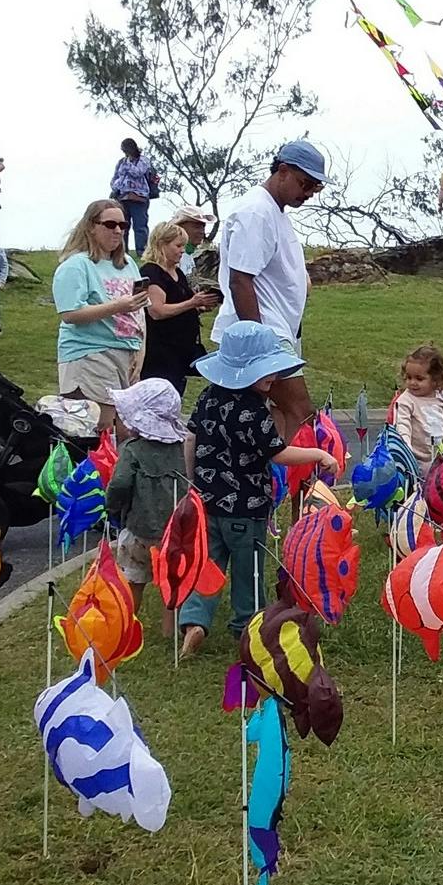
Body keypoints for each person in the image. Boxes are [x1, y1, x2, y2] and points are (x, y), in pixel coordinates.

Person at [178, 323, 337, 656]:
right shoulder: (252, 411)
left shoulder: (208, 397)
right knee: (247, 570)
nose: (274, 378)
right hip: (246, 508)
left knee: (209, 564)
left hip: (208, 501)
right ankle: (246, 627)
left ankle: (194, 620)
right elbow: (277, 452)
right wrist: (318, 454)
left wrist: (195, 482)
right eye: (267, 371)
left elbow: (191, 438)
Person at [212, 141, 326, 441]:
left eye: (315, 188)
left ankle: (276, 484)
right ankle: (300, 483)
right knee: (300, 414)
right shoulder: (256, 212)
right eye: (305, 183)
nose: (307, 193)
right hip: (266, 336)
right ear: (283, 170)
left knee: (271, 418)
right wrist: (260, 347)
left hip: (279, 333)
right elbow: (240, 280)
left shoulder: (274, 212)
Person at [53, 199, 148, 430]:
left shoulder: (128, 264)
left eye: (123, 225)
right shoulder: (76, 265)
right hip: (90, 353)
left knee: (126, 428)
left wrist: (140, 350)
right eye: (110, 224)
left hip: (126, 354)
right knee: (100, 426)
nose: (117, 230)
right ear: (91, 227)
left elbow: (140, 310)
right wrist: (118, 306)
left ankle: (117, 468)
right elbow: (70, 313)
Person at [107, 378, 190, 622]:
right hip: (173, 530)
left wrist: (111, 505)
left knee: (133, 579)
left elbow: (120, 483)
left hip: (138, 528)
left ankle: (127, 624)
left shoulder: (132, 449)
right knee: (170, 583)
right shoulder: (177, 447)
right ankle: (170, 631)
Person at [140, 222, 217, 395]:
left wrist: (200, 305)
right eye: (178, 245)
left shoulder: (177, 272)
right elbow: (157, 311)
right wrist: (191, 303)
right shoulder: (152, 272)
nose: (182, 250)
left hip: (180, 352)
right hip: (160, 353)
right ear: (161, 245)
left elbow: (182, 303)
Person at [394, 343, 443, 469]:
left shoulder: (442, 398)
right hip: (413, 459)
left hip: (436, 457)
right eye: (409, 377)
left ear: (436, 379)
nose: (412, 382)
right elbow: (402, 426)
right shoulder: (406, 401)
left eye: (419, 379)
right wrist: (406, 448)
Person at [111, 137, 159, 256]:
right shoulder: (121, 162)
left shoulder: (143, 160)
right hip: (123, 197)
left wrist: (128, 163)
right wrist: (115, 186)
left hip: (139, 197)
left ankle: (141, 251)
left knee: (140, 226)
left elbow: (137, 172)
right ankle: (122, 251)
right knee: (123, 226)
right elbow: (116, 176)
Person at [171, 205, 214, 277]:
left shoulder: (188, 254)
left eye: (203, 227)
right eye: (196, 227)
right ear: (181, 228)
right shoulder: (170, 257)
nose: (202, 232)